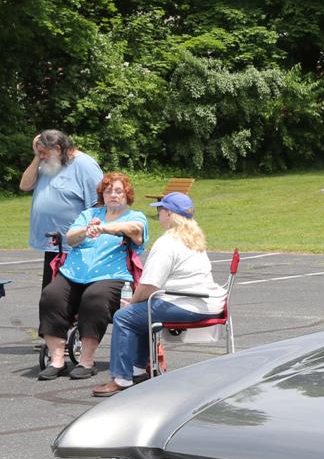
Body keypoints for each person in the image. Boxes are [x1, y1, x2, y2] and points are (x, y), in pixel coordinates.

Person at [93, 192, 225, 398]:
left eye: (160, 210)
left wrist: (132, 302)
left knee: (125, 316)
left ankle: (121, 378)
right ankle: (137, 371)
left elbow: (149, 285)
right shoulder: (194, 239)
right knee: (142, 314)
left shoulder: (167, 243)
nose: (158, 214)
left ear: (170, 214)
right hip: (207, 302)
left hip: (184, 304)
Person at [37, 172, 148, 380]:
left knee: (94, 298)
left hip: (111, 275)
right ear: (102, 195)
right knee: (51, 295)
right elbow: (70, 237)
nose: (113, 195)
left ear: (127, 195)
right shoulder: (88, 214)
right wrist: (85, 231)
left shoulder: (135, 216)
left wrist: (105, 228)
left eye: (118, 191)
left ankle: (86, 361)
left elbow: (135, 230)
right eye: (108, 191)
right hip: (73, 273)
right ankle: (57, 360)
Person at [19, 130, 104, 289]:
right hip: (53, 246)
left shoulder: (84, 165)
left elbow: (99, 204)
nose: (42, 156)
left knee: (64, 299)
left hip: (74, 248)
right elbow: (24, 185)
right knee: (50, 298)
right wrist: (38, 156)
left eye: (44, 153)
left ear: (58, 149)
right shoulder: (50, 164)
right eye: (39, 153)